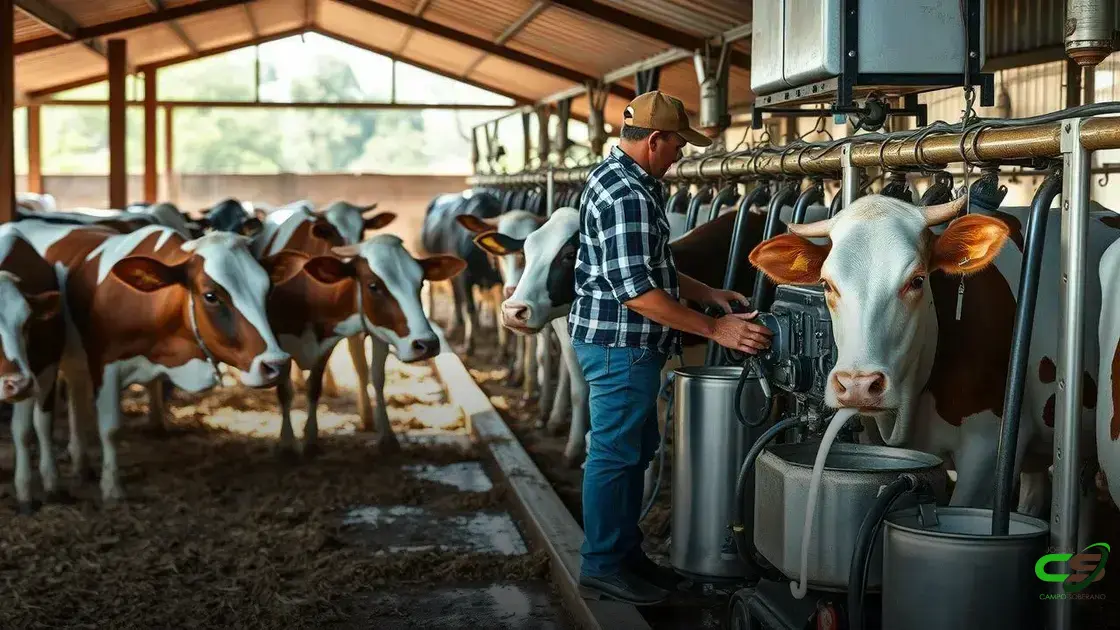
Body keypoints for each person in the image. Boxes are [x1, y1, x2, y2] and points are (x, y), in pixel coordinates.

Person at [569, 91, 773, 605]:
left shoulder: (625, 181)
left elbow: (649, 267)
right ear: (655, 140)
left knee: (635, 451)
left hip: (627, 345)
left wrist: (706, 293)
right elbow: (638, 294)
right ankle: (601, 565)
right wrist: (716, 330)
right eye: (678, 143)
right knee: (615, 455)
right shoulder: (628, 195)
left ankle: (625, 555)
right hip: (621, 345)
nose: (682, 153)